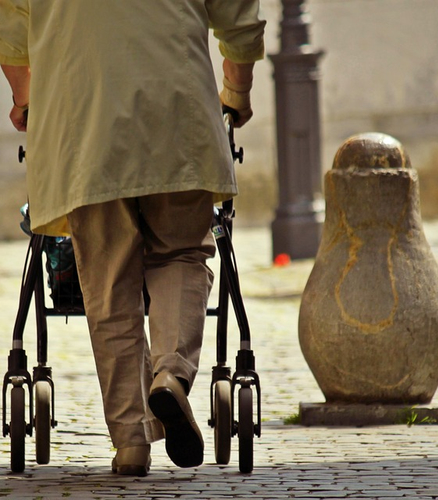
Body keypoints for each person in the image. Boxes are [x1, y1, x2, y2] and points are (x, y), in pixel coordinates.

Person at [0, 0, 265, 476]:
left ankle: (131, 442)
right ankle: (170, 374)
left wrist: (27, 99)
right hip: (176, 109)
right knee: (182, 252)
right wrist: (237, 92)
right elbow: (240, 19)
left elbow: (12, 34)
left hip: (81, 119)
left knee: (107, 279)